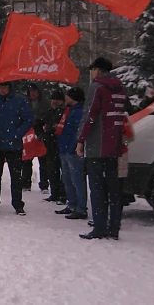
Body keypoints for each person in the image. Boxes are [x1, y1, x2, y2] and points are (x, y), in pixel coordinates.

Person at [77, 57, 128, 240]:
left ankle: (99, 227)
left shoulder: (97, 87)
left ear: (97, 70)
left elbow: (89, 115)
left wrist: (81, 139)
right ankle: (114, 228)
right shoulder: (121, 88)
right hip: (114, 146)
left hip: (97, 146)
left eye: (92, 70)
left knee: (97, 189)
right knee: (114, 190)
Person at [0, 80, 33, 215]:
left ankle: (18, 204)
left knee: (16, 176)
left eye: (5, 87)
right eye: (0, 87)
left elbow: (28, 119)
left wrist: (18, 133)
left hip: (14, 145)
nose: (2, 89)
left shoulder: (19, 100)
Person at [56, 87, 87, 220]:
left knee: (77, 180)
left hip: (72, 150)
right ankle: (72, 204)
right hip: (65, 148)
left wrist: (73, 145)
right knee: (68, 179)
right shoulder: (69, 110)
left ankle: (81, 207)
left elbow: (77, 131)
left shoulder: (78, 111)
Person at [41, 90, 67, 204]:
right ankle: (55, 193)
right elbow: (40, 123)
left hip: (61, 144)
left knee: (63, 171)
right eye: (53, 99)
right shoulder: (49, 111)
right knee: (52, 170)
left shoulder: (66, 111)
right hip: (50, 144)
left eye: (57, 100)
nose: (54, 102)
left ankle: (63, 194)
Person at [24, 83, 50, 192]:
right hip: (28, 134)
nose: (33, 93)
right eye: (31, 91)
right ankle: (25, 183)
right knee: (26, 160)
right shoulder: (25, 103)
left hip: (40, 134)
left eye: (35, 91)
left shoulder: (45, 104)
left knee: (43, 160)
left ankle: (44, 184)